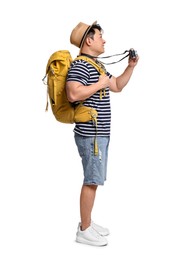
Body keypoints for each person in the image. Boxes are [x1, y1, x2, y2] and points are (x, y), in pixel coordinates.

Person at [66, 21, 139, 246]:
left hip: (99, 135)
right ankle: (84, 230)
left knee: (94, 180)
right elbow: (72, 93)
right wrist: (99, 84)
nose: (104, 40)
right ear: (89, 40)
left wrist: (131, 67)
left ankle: (87, 222)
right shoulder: (81, 65)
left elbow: (115, 85)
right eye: (100, 36)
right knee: (91, 180)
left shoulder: (95, 65)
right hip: (91, 135)